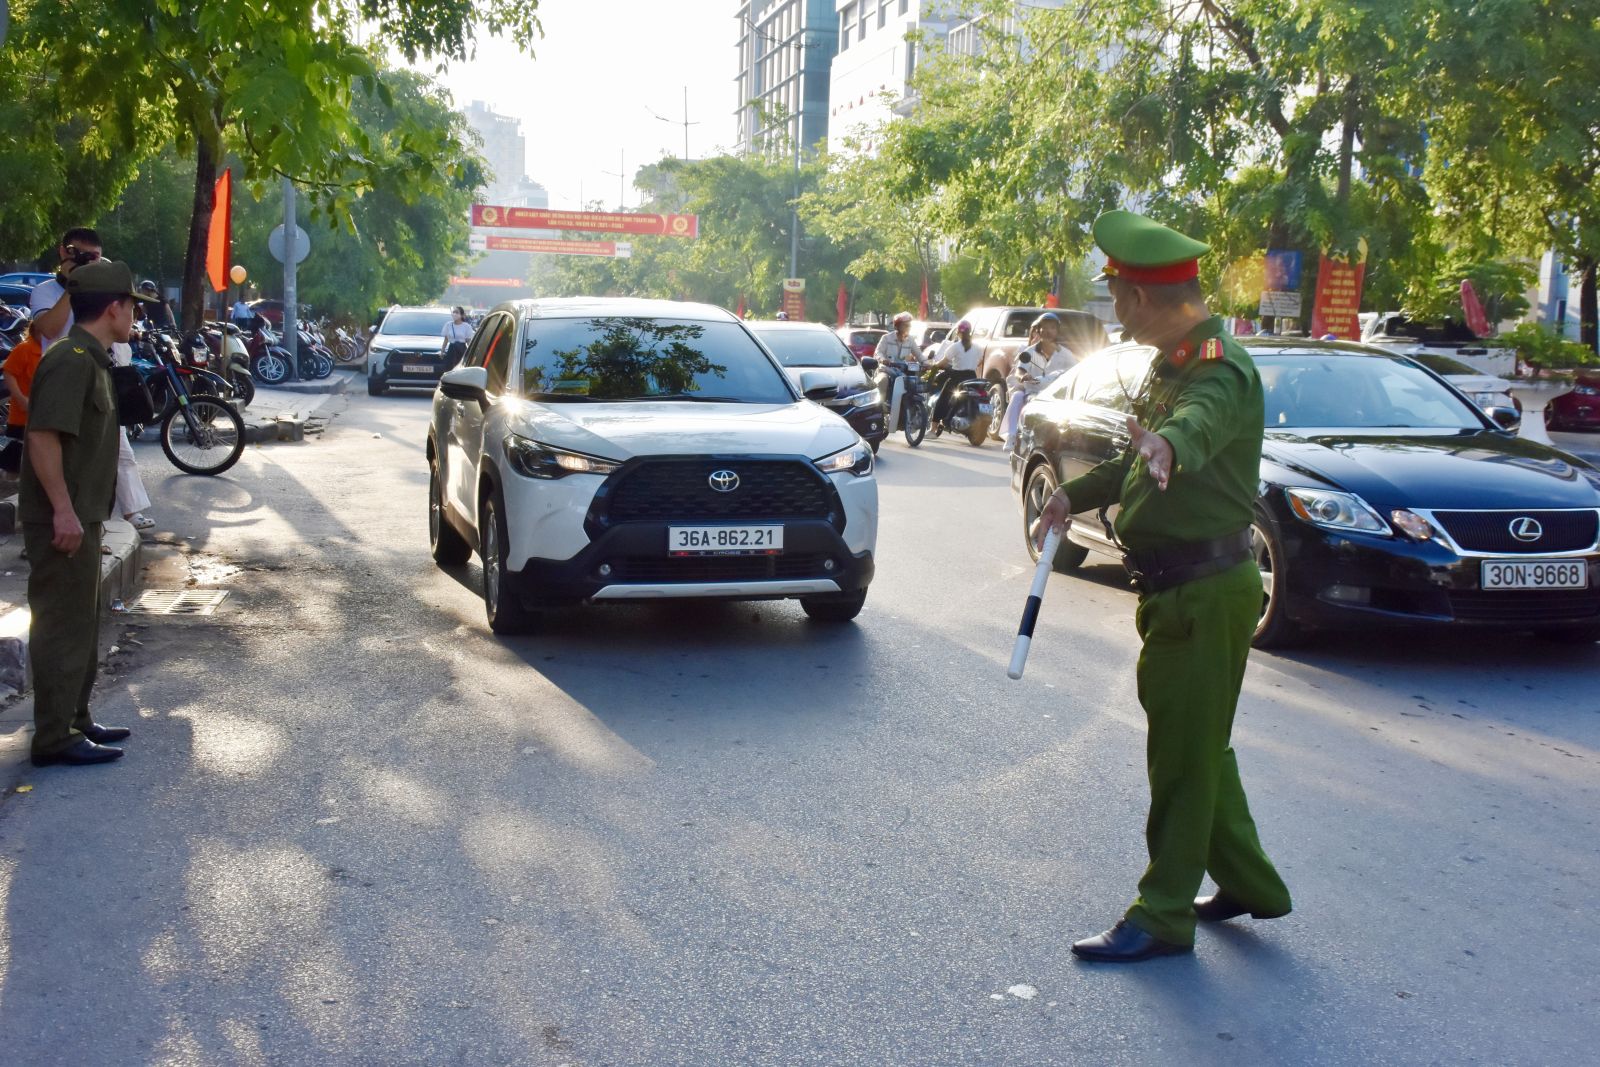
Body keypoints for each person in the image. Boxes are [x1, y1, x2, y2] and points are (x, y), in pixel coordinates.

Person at [1035, 210, 1291, 963]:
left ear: (1143, 297)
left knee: (1182, 754)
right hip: (1178, 592)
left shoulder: (1217, 368)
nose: (1113, 308)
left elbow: (1195, 430)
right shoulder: (1170, 362)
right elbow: (1134, 455)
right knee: (1199, 743)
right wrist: (1069, 498)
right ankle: (1252, 884)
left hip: (1206, 590)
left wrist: (1169, 446)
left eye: (1116, 294)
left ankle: (1164, 913)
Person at [20, 260, 157, 767]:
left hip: (82, 515)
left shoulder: (93, 358)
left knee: (81, 620)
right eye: (131, 308)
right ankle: (54, 737)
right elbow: (41, 437)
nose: (134, 318)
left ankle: (75, 719)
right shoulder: (71, 360)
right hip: (63, 517)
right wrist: (62, 511)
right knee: (60, 622)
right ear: (113, 308)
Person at [1002, 312, 1079, 450]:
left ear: (1057, 331)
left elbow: (1077, 371)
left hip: (1057, 398)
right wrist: (1023, 377)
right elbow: (1020, 370)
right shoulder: (1029, 352)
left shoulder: (1066, 355)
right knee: (1017, 395)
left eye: (1052, 328)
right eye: (1045, 327)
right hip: (1032, 394)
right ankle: (1012, 435)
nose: (1048, 331)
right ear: (1038, 330)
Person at [29, 226, 102, 351]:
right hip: (61, 367)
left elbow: (122, 333)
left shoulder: (105, 289)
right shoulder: (44, 290)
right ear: (63, 252)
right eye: (79, 253)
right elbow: (49, 330)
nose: (86, 261)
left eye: (92, 256)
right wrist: (73, 284)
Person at [927, 319, 980, 431]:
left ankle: (932, 429)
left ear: (958, 332)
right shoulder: (977, 347)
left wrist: (934, 365)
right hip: (972, 377)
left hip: (957, 377)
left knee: (942, 399)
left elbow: (944, 362)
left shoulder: (955, 346)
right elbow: (979, 362)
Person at [441, 306, 473, 370]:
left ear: (462, 315)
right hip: (451, 349)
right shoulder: (448, 325)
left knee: (460, 368)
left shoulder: (466, 326)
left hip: (461, 349)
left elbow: (468, 341)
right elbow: (446, 340)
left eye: (457, 312)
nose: (454, 314)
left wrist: (470, 353)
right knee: (449, 368)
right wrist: (442, 351)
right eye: (454, 312)